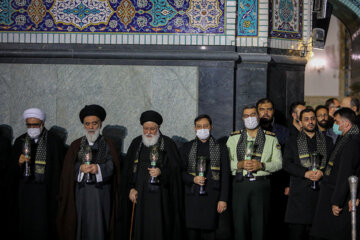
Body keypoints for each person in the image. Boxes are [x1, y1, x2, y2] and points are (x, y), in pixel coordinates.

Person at [57, 104, 120, 240]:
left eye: (94, 123)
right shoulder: (76, 145)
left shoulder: (109, 144)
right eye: (87, 124)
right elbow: (68, 171)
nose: (91, 127)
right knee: (81, 227)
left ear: (100, 124)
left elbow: (113, 167)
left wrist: (98, 169)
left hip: (102, 196)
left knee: (99, 228)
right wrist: (79, 168)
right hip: (81, 195)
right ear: (84, 125)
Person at [121, 110, 184, 240]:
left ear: (159, 127)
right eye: (146, 129)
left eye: (152, 129)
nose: (148, 132)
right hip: (139, 196)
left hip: (160, 198)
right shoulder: (136, 143)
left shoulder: (168, 144)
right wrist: (130, 188)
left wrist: (162, 172)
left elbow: (176, 171)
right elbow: (127, 171)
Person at [226, 106, 282, 240]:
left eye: (253, 114)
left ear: (258, 117)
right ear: (242, 118)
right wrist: (238, 164)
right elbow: (225, 163)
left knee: (260, 227)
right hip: (240, 184)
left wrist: (262, 165)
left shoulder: (271, 138)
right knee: (240, 226)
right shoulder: (234, 138)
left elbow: (279, 164)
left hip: (261, 186)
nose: (250, 118)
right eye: (246, 116)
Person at [10, 108, 65, 240]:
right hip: (26, 193)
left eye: (35, 125)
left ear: (43, 124)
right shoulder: (20, 141)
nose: (32, 128)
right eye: (29, 125)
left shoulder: (53, 142)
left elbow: (58, 170)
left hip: (45, 194)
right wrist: (18, 163)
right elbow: (10, 173)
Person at [310, 108, 360, 240]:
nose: (334, 125)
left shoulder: (352, 143)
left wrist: (336, 201)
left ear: (346, 124)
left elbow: (345, 173)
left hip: (337, 194)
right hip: (330, 189)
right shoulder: (344, 138)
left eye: (337, 122)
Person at [283, 108, 333, 240]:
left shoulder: (327, 141)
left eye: (312, 118)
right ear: (300, 122)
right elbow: (286, 164)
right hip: (300, 195)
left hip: (321, 195)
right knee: (297, 234)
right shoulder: (292, 140)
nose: (310, 122)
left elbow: (332, 165)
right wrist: (305, 173)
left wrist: (322, 173)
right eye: (306, 119)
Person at [180, 114, 230, 240]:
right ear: (194, 128)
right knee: (192, 234)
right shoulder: (186, 148)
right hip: (192, 198)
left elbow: (225, 175)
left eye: (205, 126)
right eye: (199, 126)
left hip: (212, 198)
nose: (202, 129)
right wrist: (193, 179)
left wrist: (223, 199)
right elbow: (180, 172)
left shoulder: (221, 148)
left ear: (211, 127)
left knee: (210, 234)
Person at [256, 98, 289, 240]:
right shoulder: (250, 130)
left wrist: (288, 184)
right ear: (257, 112)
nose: (265, 113)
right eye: (262, 109)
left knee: (276, 219)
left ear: (273, 111)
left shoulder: (283, 132)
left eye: (269, 109)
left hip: (278, 182)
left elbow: (288, 160)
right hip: (256, 181)